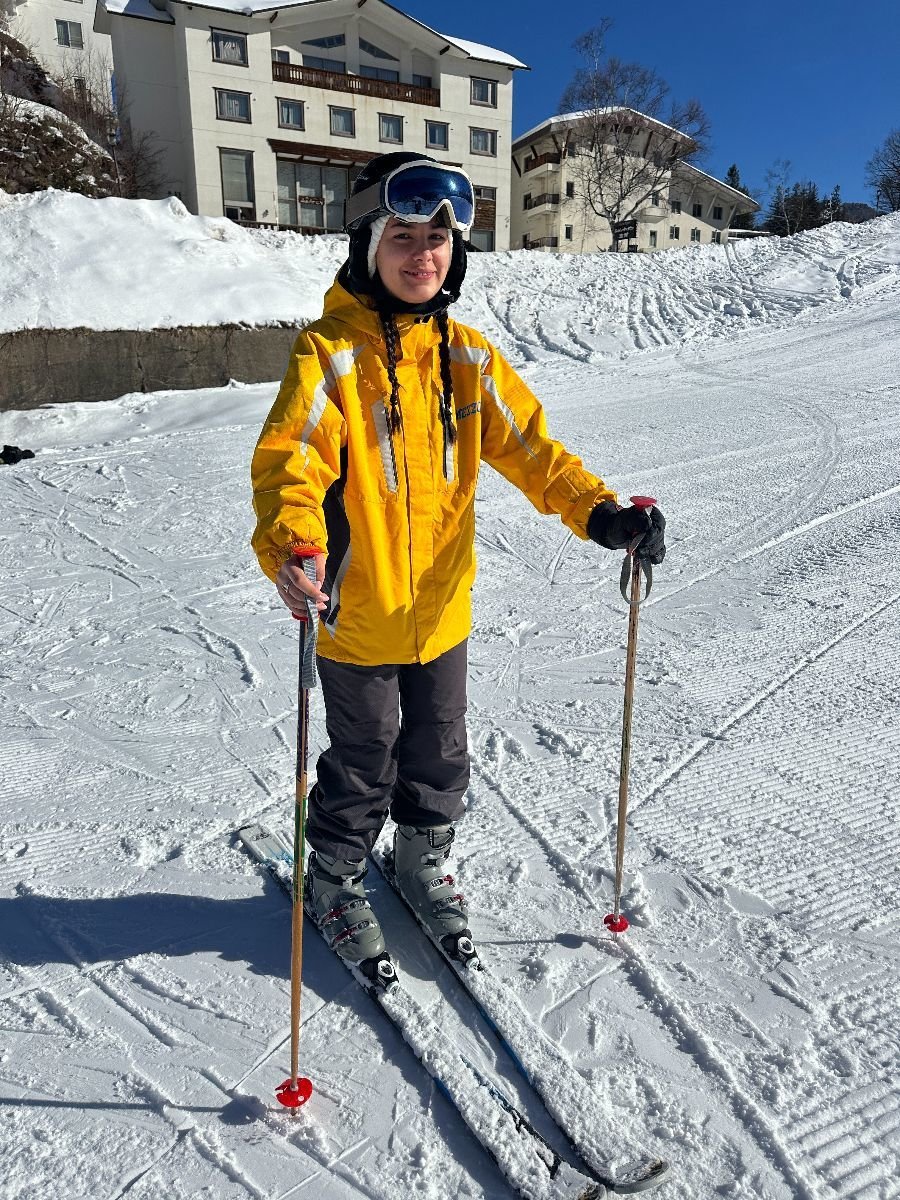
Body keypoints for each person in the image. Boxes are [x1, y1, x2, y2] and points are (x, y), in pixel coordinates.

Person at [250, 153, 665, 981]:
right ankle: (333, 874)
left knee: (440, 748)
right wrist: (295, 545)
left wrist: (601, 512)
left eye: (437, 239)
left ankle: (419, 856)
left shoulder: (467, 357)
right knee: (363, 758)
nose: (423, 255)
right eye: (403, 237)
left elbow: (535, 451)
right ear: (369, 244)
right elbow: (290, 464)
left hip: (441, 612)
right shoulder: (329, 355)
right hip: (356, 612)